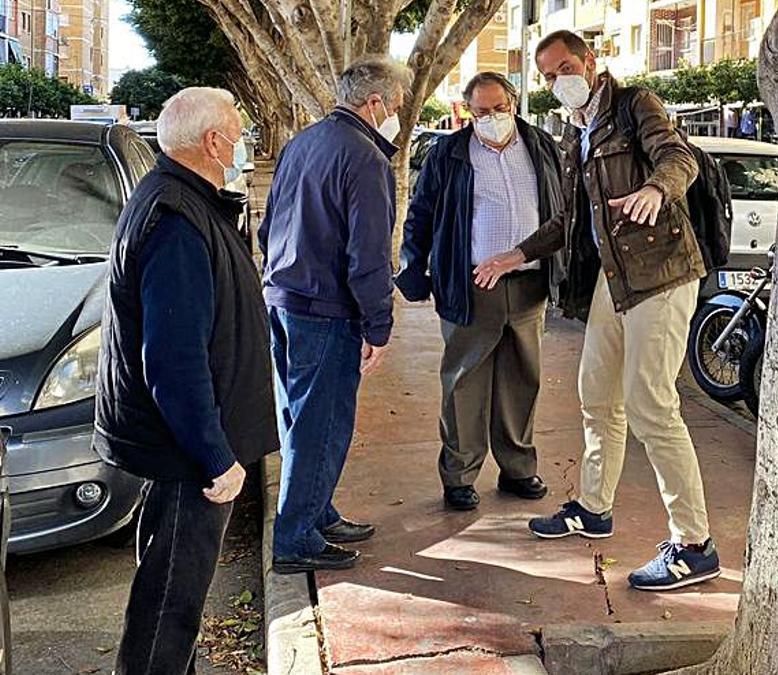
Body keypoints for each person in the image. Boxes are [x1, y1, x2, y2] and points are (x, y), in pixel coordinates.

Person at [475, 30, 721, 592]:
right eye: (546, 74)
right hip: (617, 281)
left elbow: (678, 157)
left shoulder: (636, 105)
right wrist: (517, 254)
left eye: (564, 67)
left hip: (662, 272)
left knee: (650, 405)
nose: (558, 81)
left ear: (590, 61)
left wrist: (657, 191)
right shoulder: (576, 134)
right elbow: (568, 221)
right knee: (596, 394)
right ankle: (593, 506)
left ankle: (694, 542)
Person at [93, 87, 279, 673]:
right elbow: (173, 361)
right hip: (189, 456)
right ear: (212, 141)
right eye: (236, 129)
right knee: (171, 601)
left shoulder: (190, 201)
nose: (241, 139)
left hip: (187, 448)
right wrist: (215, 456)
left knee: (174, 590)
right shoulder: (175, 218)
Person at [258, 56, 412, 573]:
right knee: (319, 425)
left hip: (284, 298)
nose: (398, 115)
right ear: (375, 104)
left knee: (297, 419)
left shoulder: (303, 142)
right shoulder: (365, 158)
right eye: (396, 105)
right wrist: (378, 325)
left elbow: (267, 226)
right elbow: (368, 254)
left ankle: (315, 513)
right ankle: (297, 537)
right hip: (325, 310)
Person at [396, 72, 564, 511]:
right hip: (470, 285)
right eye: (482, 111)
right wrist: (412, 268)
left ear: (514, 103)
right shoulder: (449, 153)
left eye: (500, 108)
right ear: (468, 112)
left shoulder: (541, 146)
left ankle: (518, 469)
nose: (492, 117)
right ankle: (460, 474)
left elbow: (562, 208)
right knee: (464, 382)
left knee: (521, 379)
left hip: (529, 283)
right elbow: (422, 214)